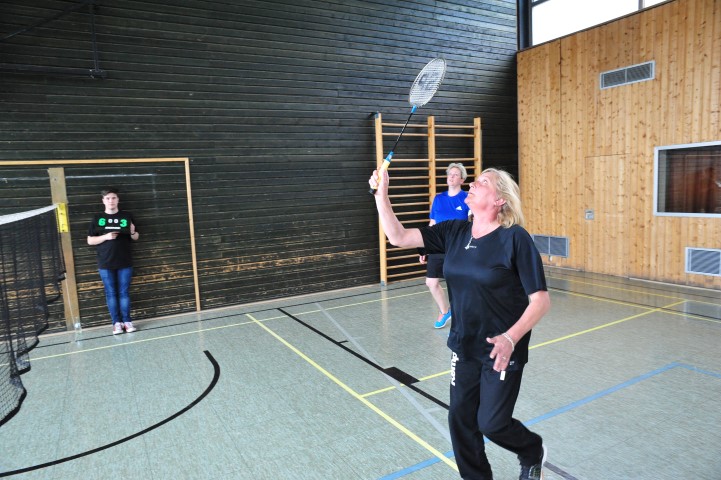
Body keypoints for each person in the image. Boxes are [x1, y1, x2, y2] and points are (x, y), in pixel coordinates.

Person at [369, 167, 551, 480]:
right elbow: (398, 237)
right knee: (461, 422)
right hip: (464, 346)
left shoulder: (514, 239)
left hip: (501, 348)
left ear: (500, 200)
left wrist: (510, 338)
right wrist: (381, 196)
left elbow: (541, 301)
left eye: (483, 182)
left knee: (492, 423)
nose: (473, 184)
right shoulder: (453, 231)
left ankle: (532, 450)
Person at [420, 163, 470, 329]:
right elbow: (432, 223)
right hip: (438, 246)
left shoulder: (467, 198)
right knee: (431, 282)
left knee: (456, 284)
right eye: (450, 174)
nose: (451, 177)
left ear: (462, 180)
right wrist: (424, 247)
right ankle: (444, 311)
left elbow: (474, 222)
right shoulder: (439, 198)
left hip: (457, 247)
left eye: (455, 175)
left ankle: (461, 320)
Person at [87, 188, 140, 335]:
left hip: (125, 261)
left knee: (124, 292)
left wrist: (132, 231)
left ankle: (127, 322)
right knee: (111, 293)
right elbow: (90, 240)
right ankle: (116, 323)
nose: (111, 201)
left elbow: (135, 237)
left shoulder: (126, 216)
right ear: (103, 201)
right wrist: (106, 237)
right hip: (105, 262)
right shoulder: (97, 218)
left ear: (118, 200)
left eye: (114, 198)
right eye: (108, 198)